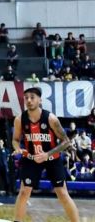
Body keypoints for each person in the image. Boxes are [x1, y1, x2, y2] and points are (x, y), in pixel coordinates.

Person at [13, 86, 79, 222]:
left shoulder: (51, 119)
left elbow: (66, 141)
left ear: (40, 100)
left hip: (52, 158)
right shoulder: (20, 119)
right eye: (26, 98)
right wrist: (17, 148)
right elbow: (15, 139)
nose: (29, 101)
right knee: (24, 191)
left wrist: (47, 154)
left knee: (62, 193)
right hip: (31, 158)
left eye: (32, 97)